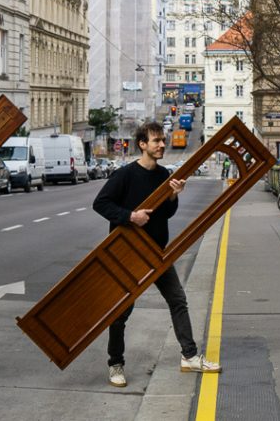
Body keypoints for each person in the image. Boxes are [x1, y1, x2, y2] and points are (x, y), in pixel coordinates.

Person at [93, 121, 221, 388]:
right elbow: (101, 203)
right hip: (129, 254)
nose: (163, 144)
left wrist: (173, 197)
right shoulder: (125, 175)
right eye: (156, 141)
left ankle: (189, 356)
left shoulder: (164, 175)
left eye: (163, 140)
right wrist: (130, 216)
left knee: (177, 299)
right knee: (120, 313)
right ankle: (116, 364)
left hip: (157, 253)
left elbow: (164, 214)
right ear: (143, 144)